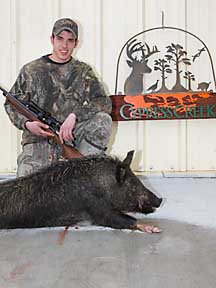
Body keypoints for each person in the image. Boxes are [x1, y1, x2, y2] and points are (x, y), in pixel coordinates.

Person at [4, 18, 112, 177]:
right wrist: (27, 124)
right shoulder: (31, 70)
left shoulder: (83, 71)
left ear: (76, 43)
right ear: (52, 39)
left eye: (70, 40)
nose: (64, 45)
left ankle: (85, 167)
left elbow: (103, 101)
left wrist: (74, 116)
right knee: (25, 188)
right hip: (37, 141)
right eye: (60, 39)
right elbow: (11, 104)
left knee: (103, 120)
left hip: (70, 138)